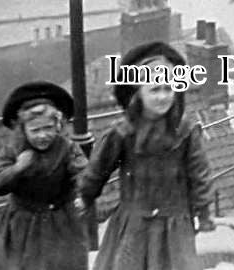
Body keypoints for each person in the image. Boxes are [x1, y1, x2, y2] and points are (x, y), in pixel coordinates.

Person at [79, 41, 214, 270]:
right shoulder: (122, 132)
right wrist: (85, 196)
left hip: (175, 224)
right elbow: (98, 169)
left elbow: (200, 173)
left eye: (168, 89)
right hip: (134, 224)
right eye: (154, 90)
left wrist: (203, 212)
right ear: (138, 93)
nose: (162, 97)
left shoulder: (186, 131)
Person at [0, 81, 90, 270]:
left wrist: (83, 193)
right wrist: (17, 168)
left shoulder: (66, 147)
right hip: (23, 225)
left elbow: (82, 169)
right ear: (23, 129)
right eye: (35, 130)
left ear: (57, 126)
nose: (42, 135)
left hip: (61, 222)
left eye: (48, 128)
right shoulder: (13, 149)